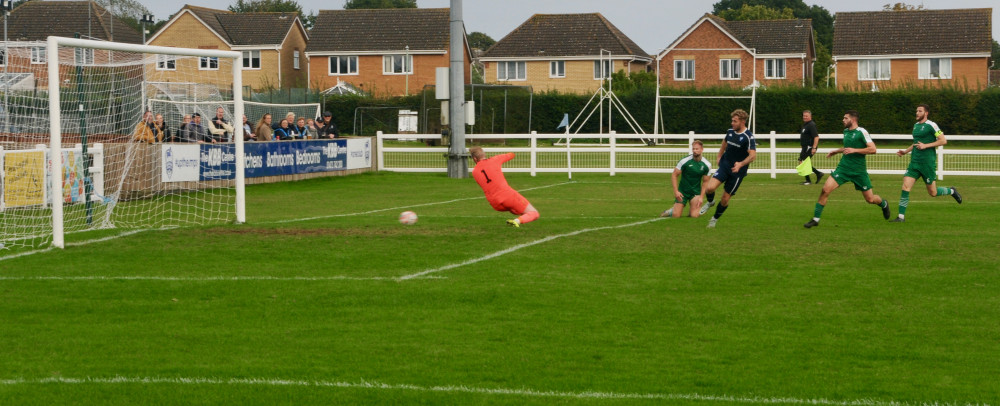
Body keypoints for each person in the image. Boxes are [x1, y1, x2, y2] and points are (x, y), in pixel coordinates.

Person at [804, 110, 891, 228]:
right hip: (843, 168)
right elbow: (847, 147)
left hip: (859, 171)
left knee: (870, 199)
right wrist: (837, 151)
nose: (843, 120)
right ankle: (815, 219)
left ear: (853, 119)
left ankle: (884, 204)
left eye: (845, 118)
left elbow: (873, 149)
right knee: (825, 190)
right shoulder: (845, 131)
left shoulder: (862, 132)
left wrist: (855, 150)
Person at [891, 104, 962, 222]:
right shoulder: (915, 126)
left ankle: (952, 191)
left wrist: (926, 146)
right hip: (914, 163)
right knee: (905, 187)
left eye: (920, 111)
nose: (917, 113)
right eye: (916, 111)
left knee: (933, 193)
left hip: (927, 163)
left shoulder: (931, 125)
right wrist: (905, 152)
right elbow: (915, 143)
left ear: (926, 113)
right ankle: (901, 217)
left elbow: (943, 140)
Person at [704, 109, 756, 228]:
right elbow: (724, 144)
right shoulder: (730, 132)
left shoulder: (748, 137)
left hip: (737, 172)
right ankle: (710, 202)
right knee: (709, 188)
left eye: (735, 121)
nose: (732, 123)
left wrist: (740, 164)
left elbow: (753, 156)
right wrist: (719, 156)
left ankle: (714, 219)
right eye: (732, 120)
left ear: (742, 122)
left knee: (725, 199)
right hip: (725, 165)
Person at [469, 146, 540, 227]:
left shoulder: (474, 172)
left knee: (515, 210)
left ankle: (516, 215)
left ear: (474, 158)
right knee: (534, 213)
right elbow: (511, 155)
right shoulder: (495, 159)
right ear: (484, 154)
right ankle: (517, 221)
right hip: (507, 196)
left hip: (495, 203)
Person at [660, 140, 712, 218]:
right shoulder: (685, 161)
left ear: (702, 149)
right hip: (682, 192)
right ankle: (671, 211)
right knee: (676, 215)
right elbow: (674, 175)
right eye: (693, 149)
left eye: (697, 149)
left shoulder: (707, 165)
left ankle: (701, 207)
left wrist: (701, 197)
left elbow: (705, 182)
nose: (695, 151)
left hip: (695, 192)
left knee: (694, 215)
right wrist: (676, 192)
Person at [799, 110, 824, 185]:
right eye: (804, 116)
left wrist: (814, 148)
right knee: (803, 162)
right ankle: (818, 174)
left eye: (806, 116)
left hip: (809, 147)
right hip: (805, 147)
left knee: (803, 162)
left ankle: (809, 180)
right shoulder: (805, 125)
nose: (805, 117)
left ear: (810, 116)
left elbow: (816, 137)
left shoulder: (811, 125)